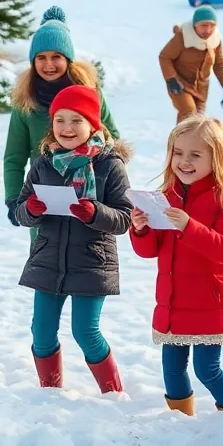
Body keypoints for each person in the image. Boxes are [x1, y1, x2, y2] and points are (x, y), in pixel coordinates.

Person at [130, 116, 223, 416]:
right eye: (178, 153)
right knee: (171, 370)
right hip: (174, 301)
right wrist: (140, 229)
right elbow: (150, 252)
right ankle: (180, 423)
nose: (184, 161)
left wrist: (189, 225)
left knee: (207, 370)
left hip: (211, 302)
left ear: (217, 158)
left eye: (195, 155)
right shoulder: (166, 196)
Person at [14, 85, 132, 393]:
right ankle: (49, 393)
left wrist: (95, 213)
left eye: (76, 120)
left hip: (92, 262)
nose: (67, 128)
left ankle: (113, 394)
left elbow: (125, 219)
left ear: (94, 124)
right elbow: (20, 212)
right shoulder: (43, 164)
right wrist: (31, 209)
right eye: (60, 120)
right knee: (41, 333)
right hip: (49, 259)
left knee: (86, 332)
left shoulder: (109, 165)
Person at [5, 7, 120, 230]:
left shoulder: (89, 92)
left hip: (90, 194)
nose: (49, 65)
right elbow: (14, 156)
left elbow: (112, 137)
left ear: (68, 59)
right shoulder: (25, 100)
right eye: (41, 57)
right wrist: (13, 199)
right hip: (45, 192)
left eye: (56, 57)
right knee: (43, 255)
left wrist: (108, 175)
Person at [161, 7, 223, 122]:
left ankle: (192, 139)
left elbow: (219, 63)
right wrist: (171, 79)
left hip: (201, 88)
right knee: (188, 111)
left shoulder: (215, 40)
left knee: (199, 120)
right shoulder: (182, 37)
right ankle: (179, 139)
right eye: (203, 26)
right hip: (180, 83)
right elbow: (165, 57)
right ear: (195, 25)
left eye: (212, 25)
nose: (208, 30)